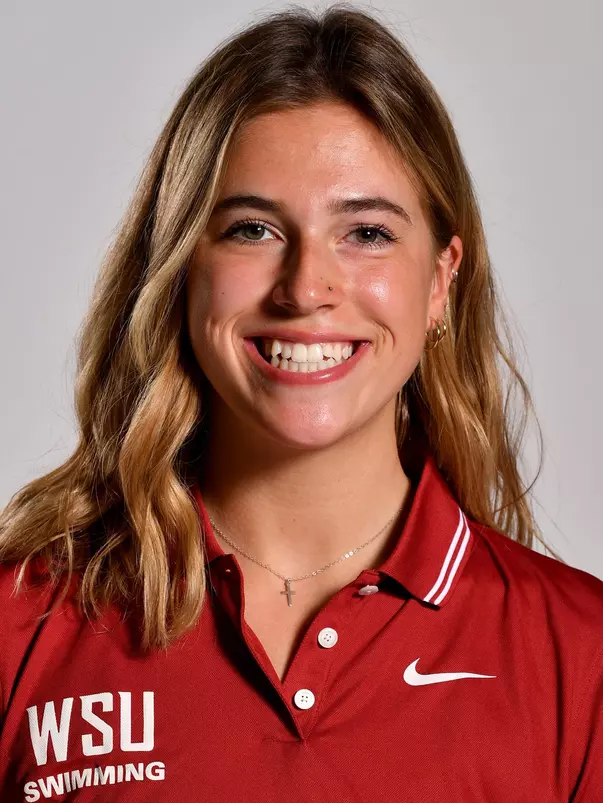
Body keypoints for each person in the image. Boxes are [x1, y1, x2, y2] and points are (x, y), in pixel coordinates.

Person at [0, 4, 601, 801]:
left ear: (440, 280)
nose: (305, 287)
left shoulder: (580, 653)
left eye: (367, 233)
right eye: (252, 229)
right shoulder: (20, 627)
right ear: (182, 267)